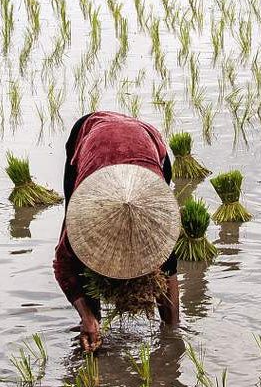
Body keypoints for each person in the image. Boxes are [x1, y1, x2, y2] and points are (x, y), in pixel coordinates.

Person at [54, 111, 181, 352]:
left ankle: (171, 324)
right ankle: (93, 326)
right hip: (93, 135)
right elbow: (64, 265)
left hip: (145, 138)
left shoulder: (159, 216)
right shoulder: (84, 213)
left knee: (161, 251)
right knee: (81, 258)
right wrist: (87, 316)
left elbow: (168, 261)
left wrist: (173, 336)